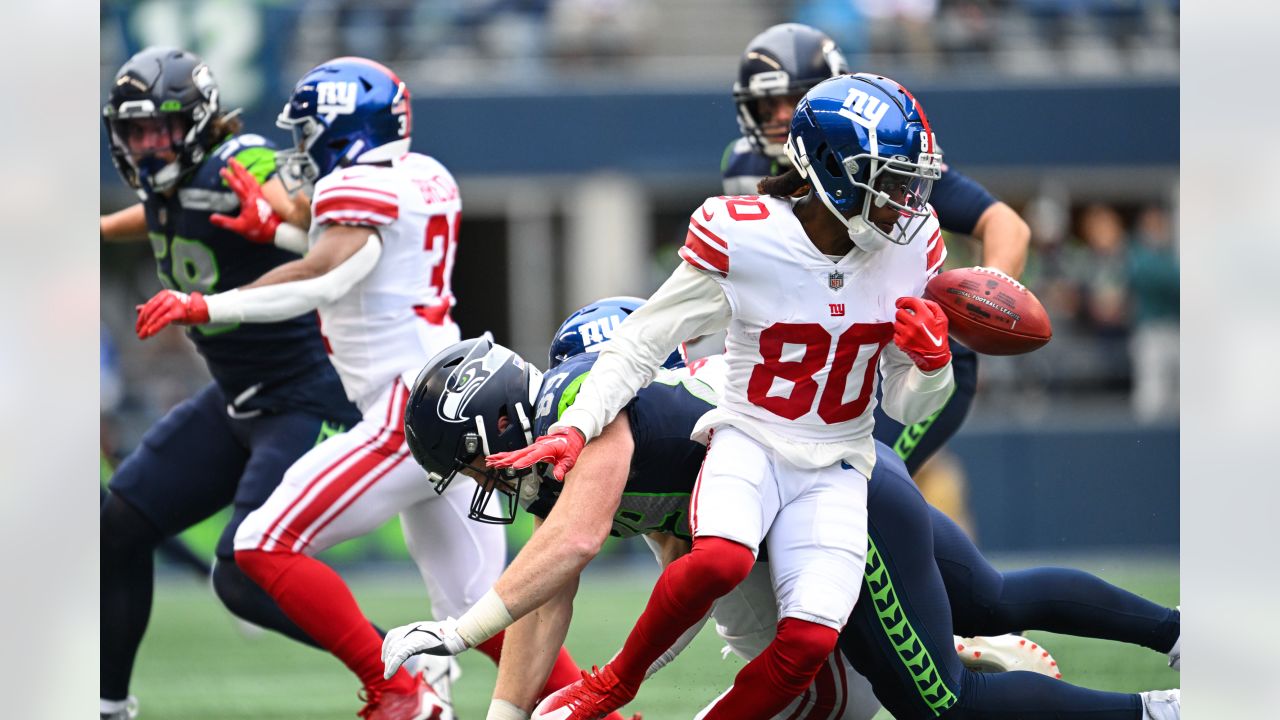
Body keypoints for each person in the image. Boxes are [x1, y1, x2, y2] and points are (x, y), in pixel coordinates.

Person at [133, 56, 619, 720]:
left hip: (411, 411)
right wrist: (275, 229)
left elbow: (328, 276)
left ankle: (399, 690)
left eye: (308, 133)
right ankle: (601, 715)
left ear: (342, 130)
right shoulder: (425, 174)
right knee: (483, 608)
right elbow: (366, 260)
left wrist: (209, 306)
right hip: (454, 393)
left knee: (258, 546)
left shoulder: (351, 188)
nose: (301, 150)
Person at [479, 72, 957, 720]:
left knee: (864, 640)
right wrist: (582, 424)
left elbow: (906, 402)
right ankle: (609, 685)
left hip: (843, 466)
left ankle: (981, 645)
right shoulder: (744, 240)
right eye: (891, 177)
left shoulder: (908, 246)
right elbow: (640, 343)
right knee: (726, 564)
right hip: (758, 447)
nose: (907, 197)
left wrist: (933, 364)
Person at [383, 333, 1180, 719]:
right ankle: (1182, 634)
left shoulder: (585, 407)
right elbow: (557, 579)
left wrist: (460, 635)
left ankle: (1163, 711)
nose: (484, 485)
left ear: (494, 428)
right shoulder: (567, 455)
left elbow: (579, 544)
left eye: (476, 464)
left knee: (947, 707)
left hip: (837, 511)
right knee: (992, 599)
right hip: (856, 478)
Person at [99, 47, 364, 720]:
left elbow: (313, 219)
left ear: (197, 121)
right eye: (134, 132)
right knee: (118, 529)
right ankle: (108, 706)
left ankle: (400, 659)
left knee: (243, 575)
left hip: (301, 394)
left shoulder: (241, 158)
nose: (146, 144)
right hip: (237, 397)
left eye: (159, 128)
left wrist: (278, 219)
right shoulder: (172, 183)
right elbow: (168, 212)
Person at [723, 22, 1031, 476]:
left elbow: (1007, 225)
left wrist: (981, 298)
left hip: (905, 354)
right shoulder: (744, 164)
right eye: (769, 103)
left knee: (868, 488)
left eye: (797, 98)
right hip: (827, 359)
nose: (784, 114)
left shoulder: (877, 154)